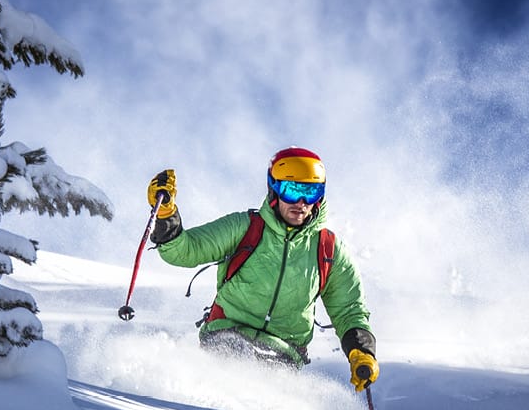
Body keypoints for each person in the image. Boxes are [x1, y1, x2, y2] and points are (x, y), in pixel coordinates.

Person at [146, 146, 379, 393]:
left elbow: (349, 311)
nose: (301, 203)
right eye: (292, 191)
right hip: (226, 336)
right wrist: (166, 214)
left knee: (272, 394)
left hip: (282, 355)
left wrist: (362, 352)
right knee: (234, 360)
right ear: (274, 189)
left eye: (311, 192)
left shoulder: (328, 250)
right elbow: (184, 250)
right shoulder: (245, 227)